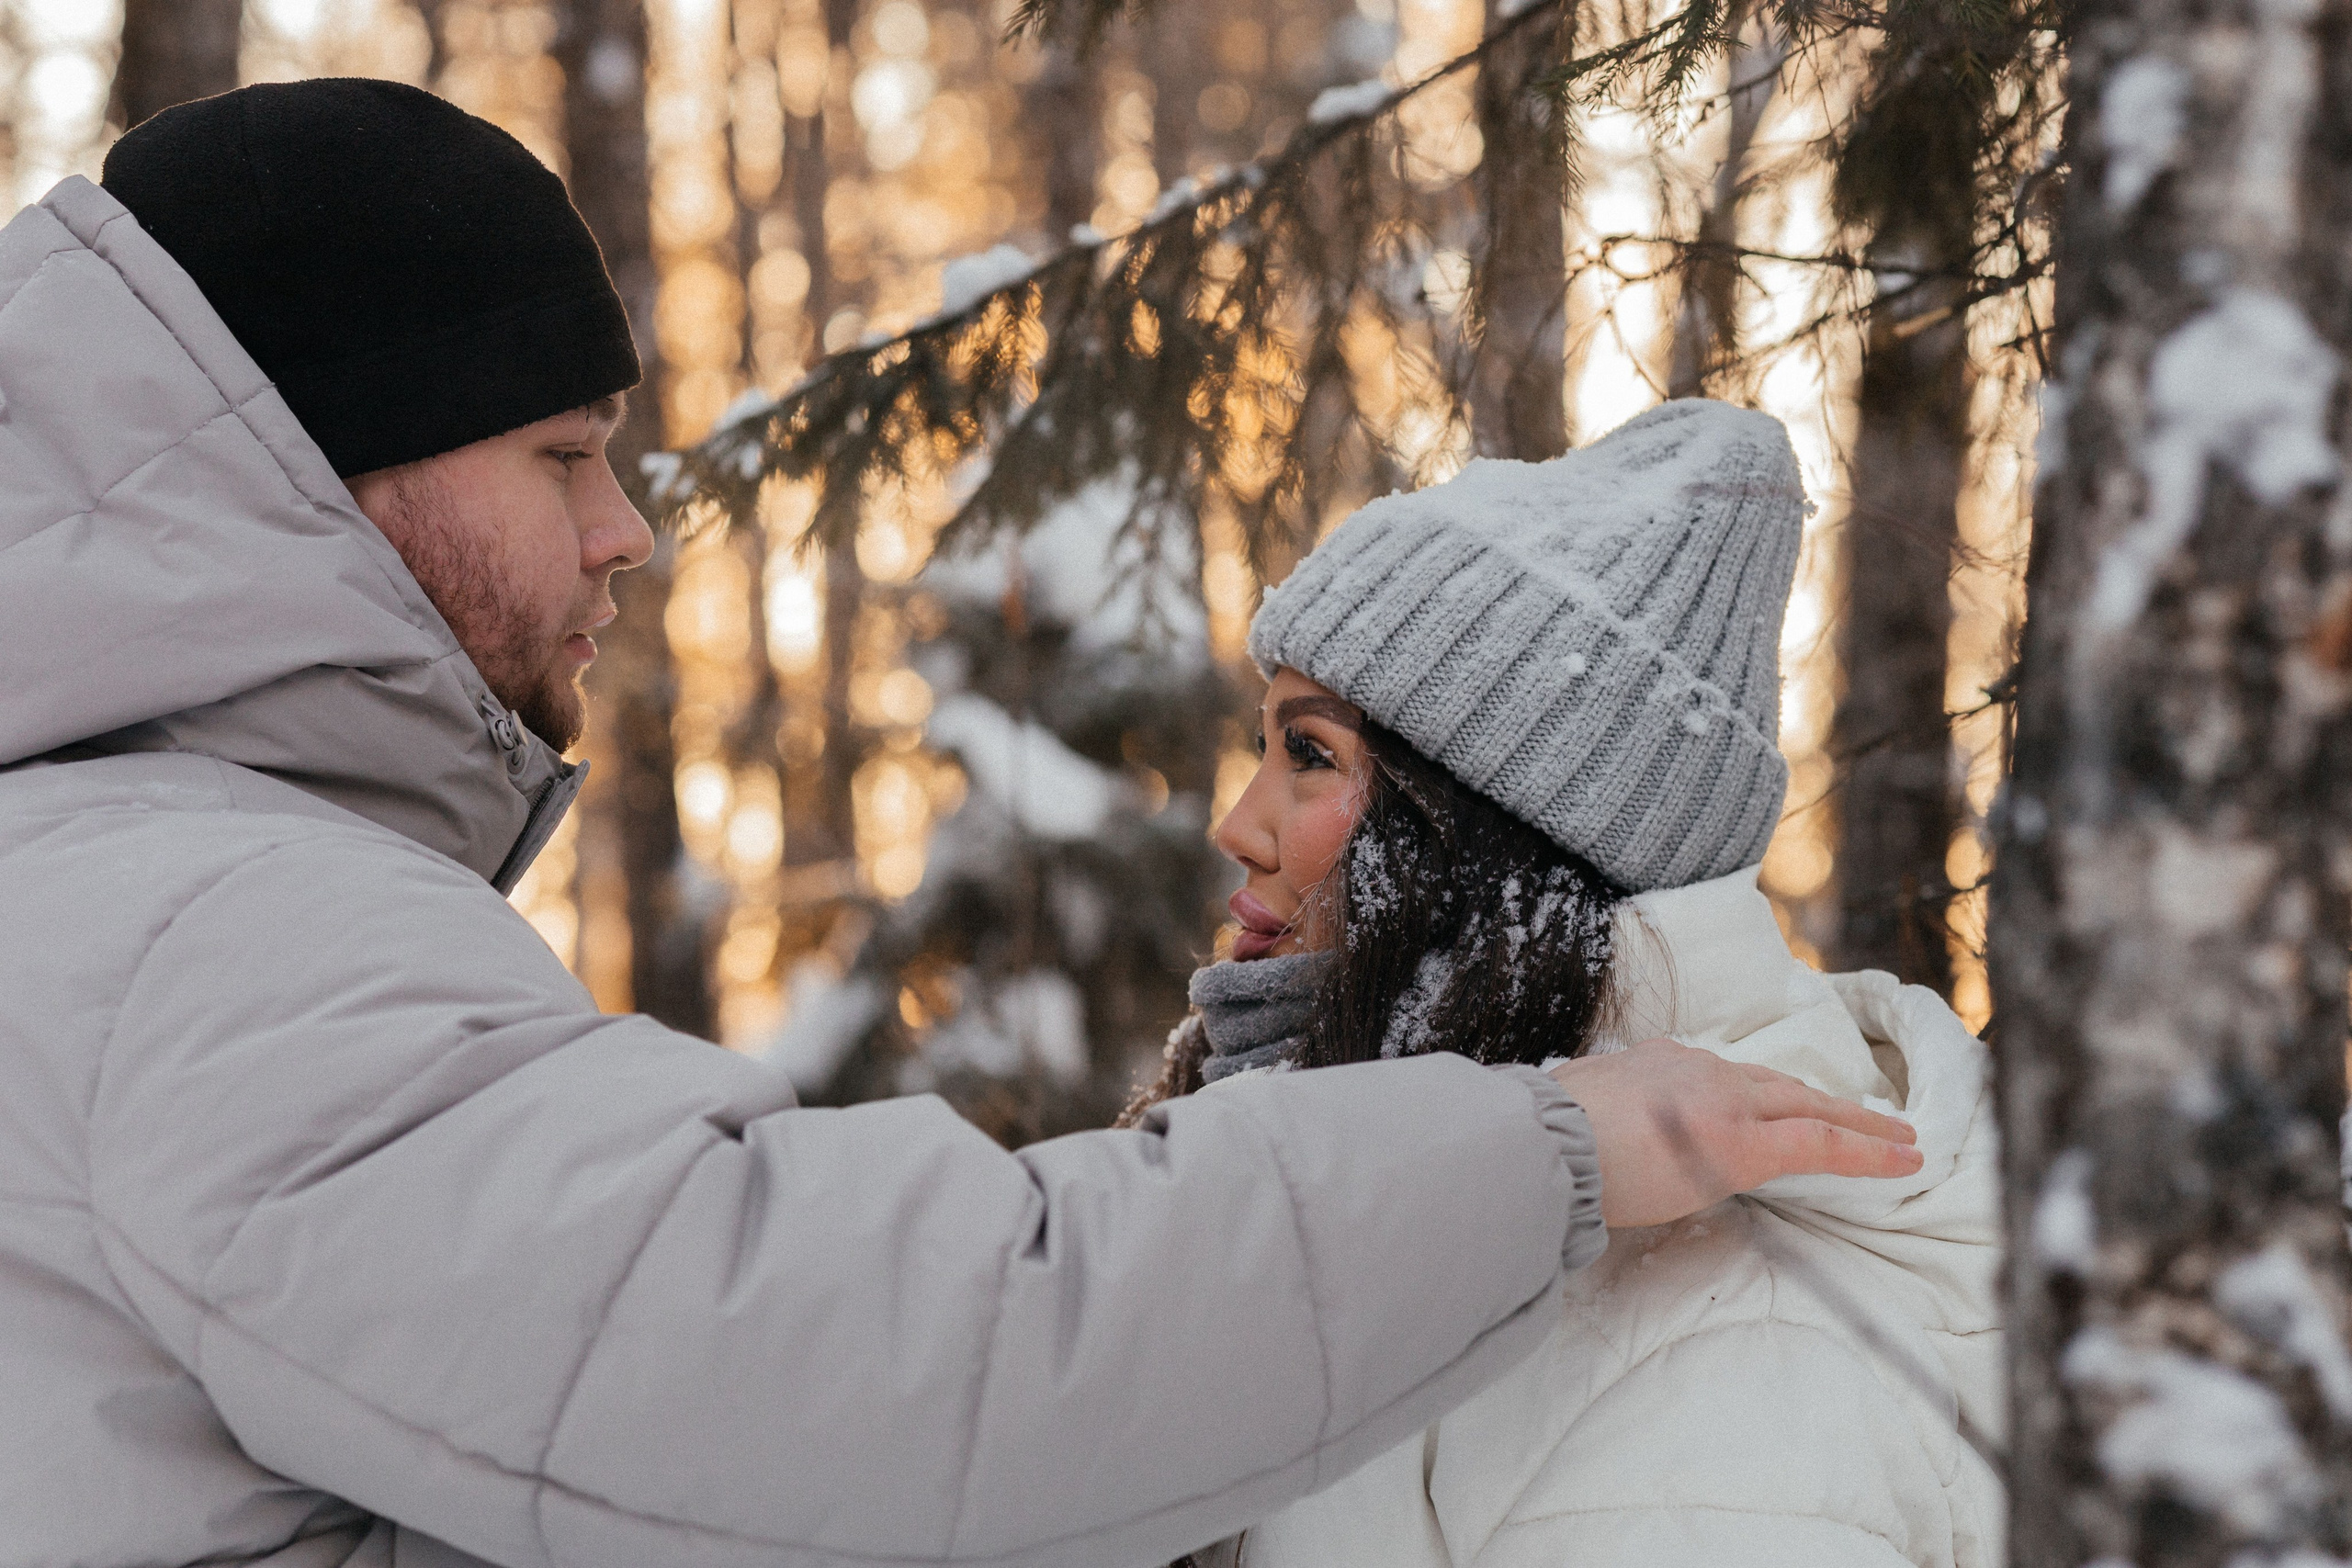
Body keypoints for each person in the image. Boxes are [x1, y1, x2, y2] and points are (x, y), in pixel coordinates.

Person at [0, 81, 1923, 1568]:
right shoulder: (212, 932)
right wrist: (1533, 1156)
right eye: (562, 455)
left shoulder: (117, 887)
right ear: (336, 466)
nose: (624, 531)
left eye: (1314, 755)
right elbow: (855, 1356)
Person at [1129, 400, 2003, 1568]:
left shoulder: (1725, 1339)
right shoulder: (1381, 1185)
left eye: (1310, 754)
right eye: (1266, 744)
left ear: (1486, 836)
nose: (1238, 827)